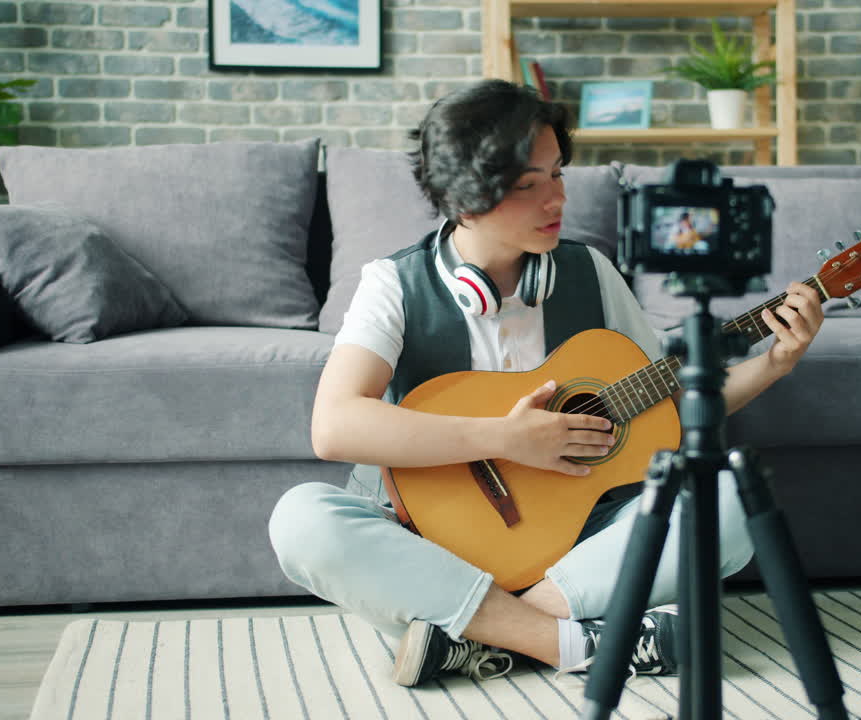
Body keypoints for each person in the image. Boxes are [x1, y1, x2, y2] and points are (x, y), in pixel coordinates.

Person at [268, 79, 824, 688]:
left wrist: (774, 363)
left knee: (731, 499)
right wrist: (507, 439)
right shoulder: (393, 283)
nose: (555, 198)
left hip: (576, 548)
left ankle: (473, 636)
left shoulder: (591, 273)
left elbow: (667, 407)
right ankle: (576, 641)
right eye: (528, 185)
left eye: (557, 173)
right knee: (301, 520)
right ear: (464, 199)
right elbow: (335, 425)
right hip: (430, 540)